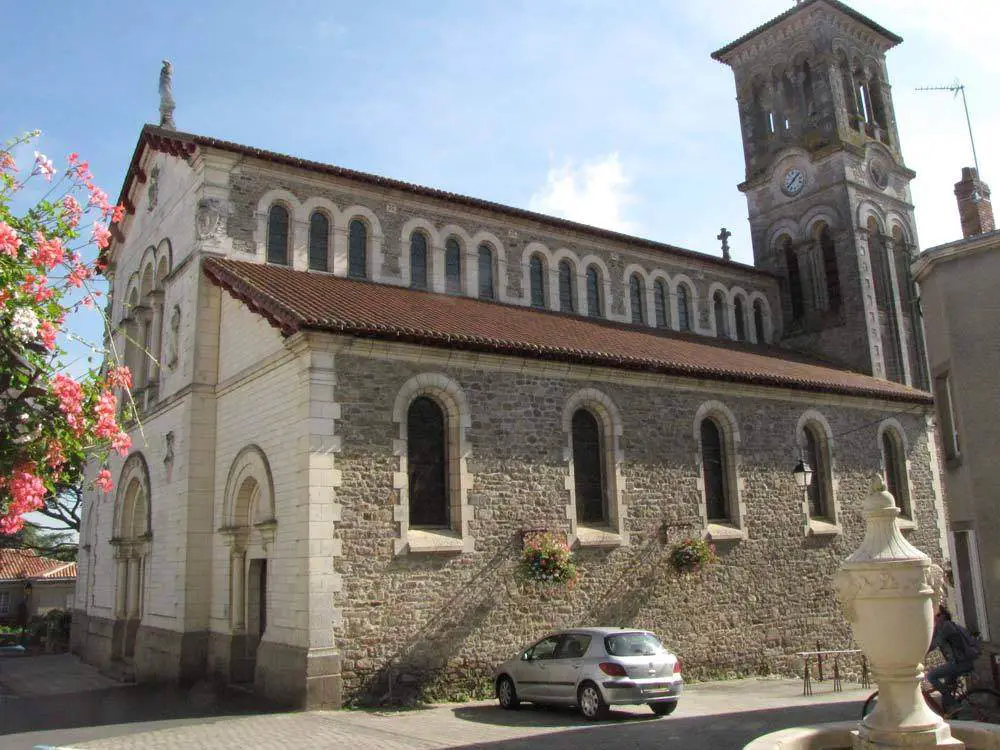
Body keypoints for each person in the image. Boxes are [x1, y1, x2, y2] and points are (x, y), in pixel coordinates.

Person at [926, 604, 980, 709]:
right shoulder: (949, 625)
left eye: (935, 616)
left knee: (931, 676)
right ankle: (951, 713)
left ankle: (953, 704)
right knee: (947, 688)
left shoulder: (946, 626)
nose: (933, 618)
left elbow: (934, 644)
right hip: (961, 662)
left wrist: (919, 654)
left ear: (942, 616)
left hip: (960, 663)